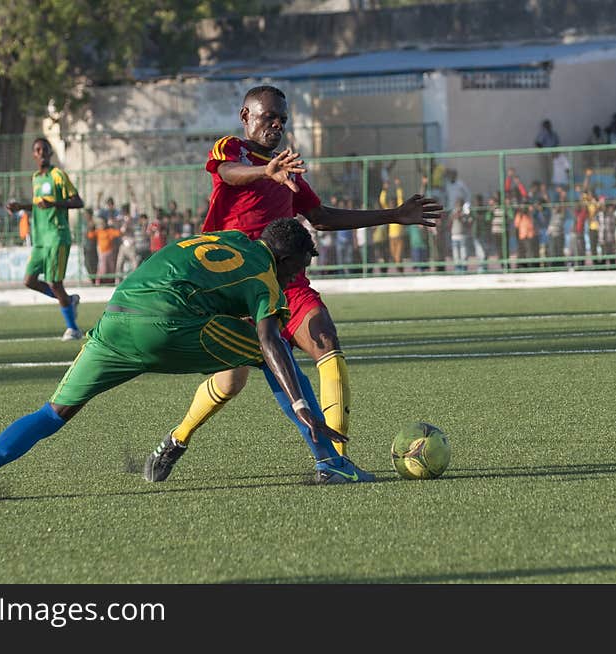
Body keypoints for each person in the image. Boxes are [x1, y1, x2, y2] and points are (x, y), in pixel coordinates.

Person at [0, 218, 374, 504]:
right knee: (279, 357)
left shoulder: (230, 238)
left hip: (117, 316)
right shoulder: (268, 277)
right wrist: (301, 403)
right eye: (302, 264)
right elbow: (269, 338)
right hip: (168, 323)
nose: (302, 273)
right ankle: (329, 462)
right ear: (288, 259)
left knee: (51, 414)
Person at [168, 85, 441, 466]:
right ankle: (177, 439)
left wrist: (392, 215)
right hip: (234, 284)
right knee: (232, 381)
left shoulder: (288, 168)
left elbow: (321, 217)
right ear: (246, 116)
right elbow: (228, 175)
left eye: (282, 119)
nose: (276, 124)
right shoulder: (233, 149)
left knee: (326, 340)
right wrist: (267, 170)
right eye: (268, 117)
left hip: (285, 280)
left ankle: (337, 461)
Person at [7, 138, 84, 341]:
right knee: (29, 280)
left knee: (54, 282)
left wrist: (55, 204)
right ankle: (68, 301)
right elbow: (39, 205)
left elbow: (77, 201)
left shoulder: (58, 175)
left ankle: (73, 328)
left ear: (50, 153)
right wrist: (21, 206)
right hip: (40, 239)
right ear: (34, 154)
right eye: (37, 150)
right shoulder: (36, 178)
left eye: (44, 150)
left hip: (57, 236)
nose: (41, 153)